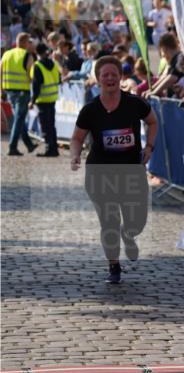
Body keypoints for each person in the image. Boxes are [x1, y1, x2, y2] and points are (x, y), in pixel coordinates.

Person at [70, 55, 158, 285]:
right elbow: (77, 138)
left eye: (113, 74)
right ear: (98, 79)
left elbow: (153, 121)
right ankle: (114, 266)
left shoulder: (134, 103)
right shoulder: (90, 110)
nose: (109, 78)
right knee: (108, 221)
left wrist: (149, 146)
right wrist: (74, 155)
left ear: (120, 77)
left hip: (131, 172)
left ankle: (128, 234)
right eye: (105, 75)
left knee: (136, 221)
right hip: (100, 173)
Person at [1, 32, 38, 155]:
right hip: (22, 92)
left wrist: (1, 90)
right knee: (18, 118)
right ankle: (12, 147)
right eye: (28, 42)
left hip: (9, 91)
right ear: (23, 42)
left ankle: (29, 145)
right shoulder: (27, 55)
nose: (30, 44)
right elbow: (31, 75)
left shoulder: (6, 54)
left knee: (19, 118)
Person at [31, 42, 61, 157]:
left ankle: (50, 149)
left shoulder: (37, 65)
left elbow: (36, 86)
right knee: (51, 125)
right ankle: (54, 148)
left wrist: (32, 101)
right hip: (52, 98)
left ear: (37, 52)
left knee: (45, 126)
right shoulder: (53, 64)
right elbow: (58, 79)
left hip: (42, 100)